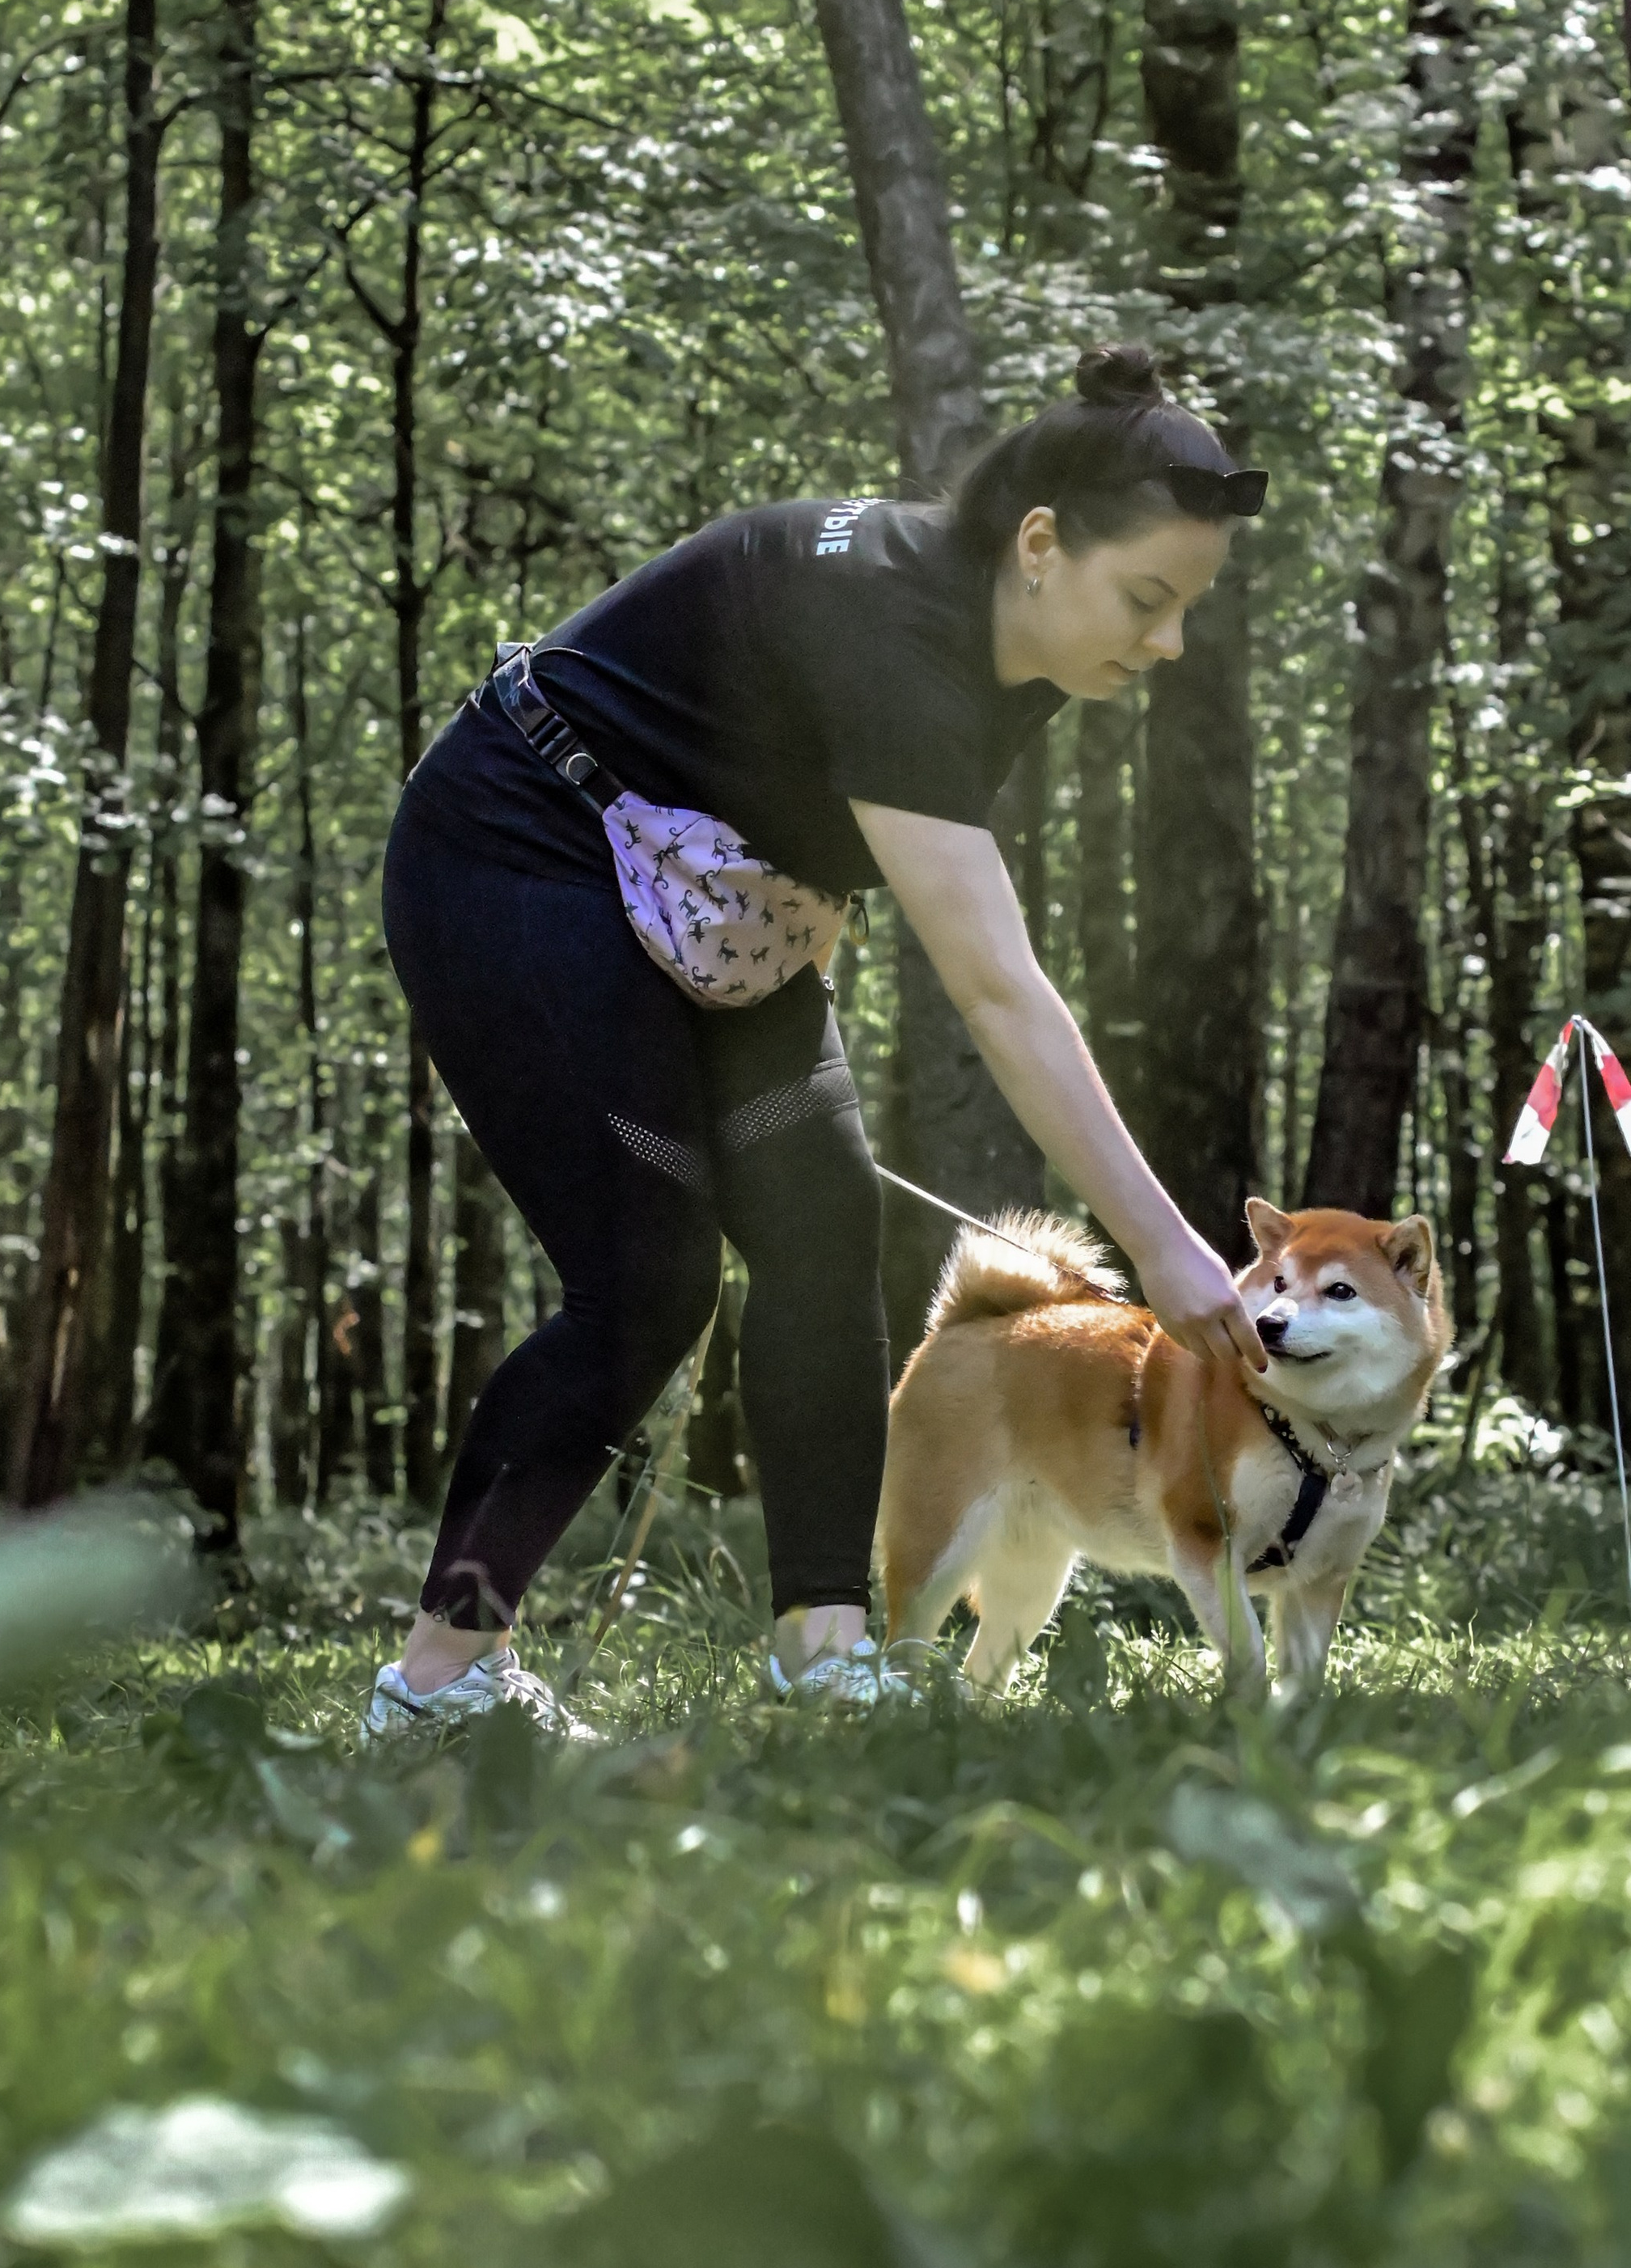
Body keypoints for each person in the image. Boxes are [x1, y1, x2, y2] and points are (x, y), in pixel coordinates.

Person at [367, 341, 1269, 1731]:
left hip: (718, 903)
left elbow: (827, 829)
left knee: (820, 1223)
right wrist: (1161, 1244)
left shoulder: (1016, 657)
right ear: (1040, 544)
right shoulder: (899, 636)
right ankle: (437, 1683)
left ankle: (825, 1655)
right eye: (1148, 600)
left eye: (1186, 610)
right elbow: (999, 991)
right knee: (647, 1278)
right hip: (518, 850)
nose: (1167, 645)